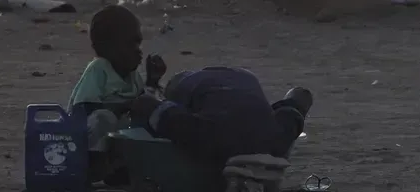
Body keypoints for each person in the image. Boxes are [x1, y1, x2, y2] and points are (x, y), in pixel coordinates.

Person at [129, 67, 312, 172]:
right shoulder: (272, 136)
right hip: (260, 128)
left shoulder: (184, 91)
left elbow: (157, 112)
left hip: (216, 130)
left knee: (157, 112)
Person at [67, 5, 166, 182]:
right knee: (104, 118)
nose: (138, 50)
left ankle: (120, 168)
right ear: (107, 47)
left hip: (117, 134)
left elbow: (145, 103)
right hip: (87, 136)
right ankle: (94, 164)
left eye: (139, 44)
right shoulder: (99, 69)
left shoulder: (133, 75)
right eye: (131, 44)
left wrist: (152, 81)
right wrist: (124, 107)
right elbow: (84, 108)